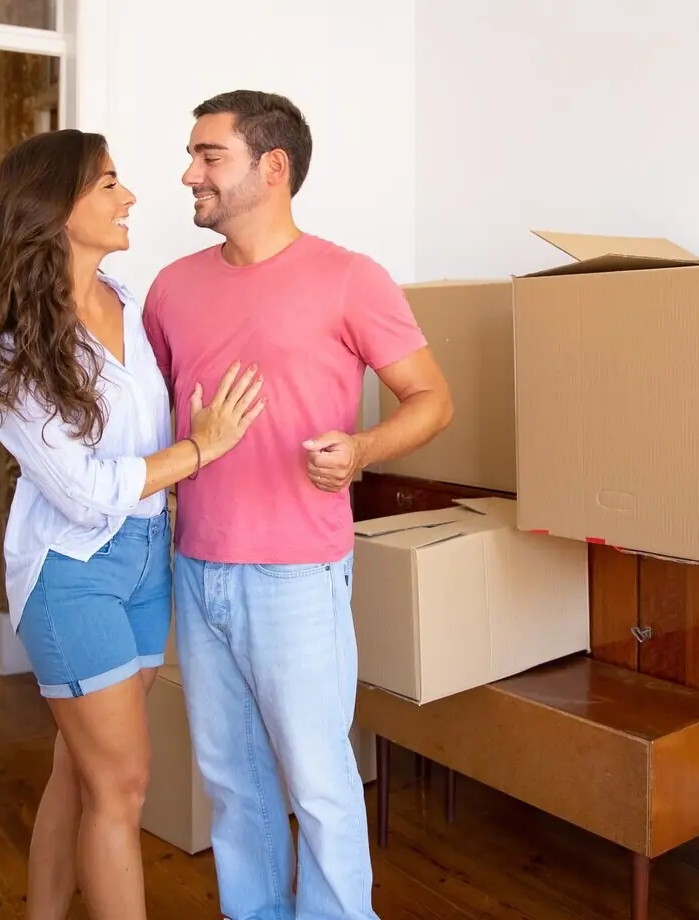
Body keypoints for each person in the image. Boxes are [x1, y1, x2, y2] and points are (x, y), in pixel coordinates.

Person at [0, 128, 266, 920]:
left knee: (79, 772)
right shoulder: (3, 338)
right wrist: (202, 449)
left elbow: (143, 441)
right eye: (110, 184)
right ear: (55, 206)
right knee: (123, 787)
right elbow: (85, 492)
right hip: (72, 570)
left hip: (148, 556)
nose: (131, 198)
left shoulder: (127, 299)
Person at [143, 90, 453, 920]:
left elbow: (430, 398)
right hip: (197, 566)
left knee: (317, 783)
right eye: (194, 155)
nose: (189, 174)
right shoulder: (171, 289)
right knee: (232, 785)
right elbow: (169, 420)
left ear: (272, 168)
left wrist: (362, 451)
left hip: (298, 577)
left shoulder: (351, 278)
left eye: (210, 156)